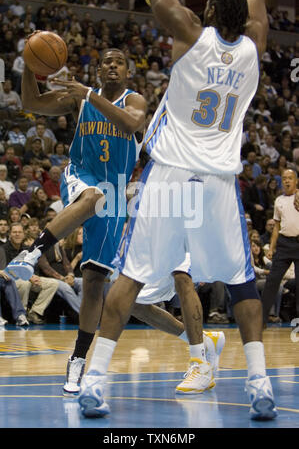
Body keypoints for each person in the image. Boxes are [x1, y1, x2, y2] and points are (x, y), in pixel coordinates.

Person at [76, 0, 277, 421]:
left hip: (168, 174)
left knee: (129, 278)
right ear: (245, 22)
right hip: (220, 182)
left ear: (206, 16)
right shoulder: (254, 46)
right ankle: (259, 383)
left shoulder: (189, 33)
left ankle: (94, 382)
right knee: (242, 282)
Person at [6, 47, 224, 400]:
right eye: (105, 60)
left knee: (95, 284)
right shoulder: (79, 100)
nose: (110, 65)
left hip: (117, 199)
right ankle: (30, 253)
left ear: (126, 71)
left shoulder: (133, 100)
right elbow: (31, 101)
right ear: (98, 69)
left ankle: (79, 358)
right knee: (92, 197)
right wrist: (32, 66)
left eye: (118, 61)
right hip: (82, 177)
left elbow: (132, 123)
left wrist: (88, 94)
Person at [262, 169, 299, 325]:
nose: (287, 181)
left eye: (290, 178)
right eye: (284, 178)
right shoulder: (279, 201)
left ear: (296, 180)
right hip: (284, 243)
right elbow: (276, 227)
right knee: (272, 280)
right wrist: (271, 248)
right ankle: (261, 318)